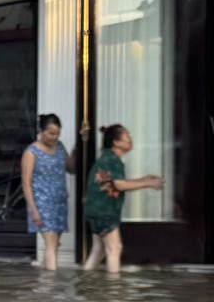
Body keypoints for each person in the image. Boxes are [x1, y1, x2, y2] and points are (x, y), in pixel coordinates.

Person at [82, 124, 164, 274]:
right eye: (127, 136)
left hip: (95, 211)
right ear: (116, 142)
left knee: (98, 251)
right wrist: (147, 183)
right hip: (105, 212)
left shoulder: (107, 158)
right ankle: (113, 290)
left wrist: (143, 179)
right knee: (115, 248)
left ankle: (83, 282)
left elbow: (117, 183)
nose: (130, 139)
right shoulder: (112, 160)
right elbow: (119, 184)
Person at [20, 113, 76, 270]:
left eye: (57, 133)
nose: (54, 137)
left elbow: (70, 169)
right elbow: (26, 183)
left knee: (54, 244)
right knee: (51, 244)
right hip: (41, 203)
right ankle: (52, 284)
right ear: (41, 131)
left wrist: (76, 151)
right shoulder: (31, 152)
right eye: (51, 133)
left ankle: (45, 285)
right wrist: (33, 211)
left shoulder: (60, 147)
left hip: (59, 202)